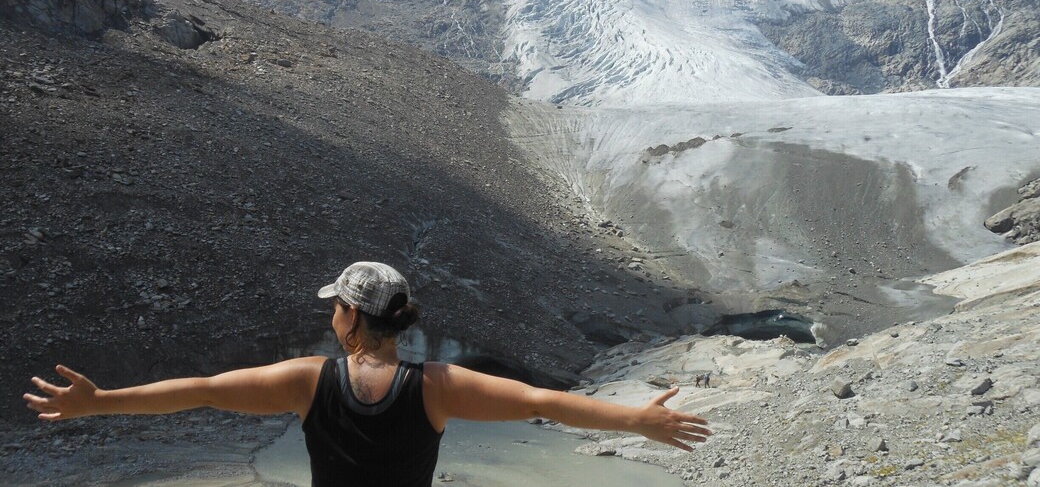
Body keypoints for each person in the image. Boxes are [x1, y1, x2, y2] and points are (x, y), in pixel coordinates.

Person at [24, 261, 712, 486]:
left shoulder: (305, 380)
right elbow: (544, 403)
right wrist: (637, 421)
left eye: (335, 306)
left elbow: (200, 393)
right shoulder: (438, 388)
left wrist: (101, 401)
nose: (331, 315)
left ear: (350, 316)